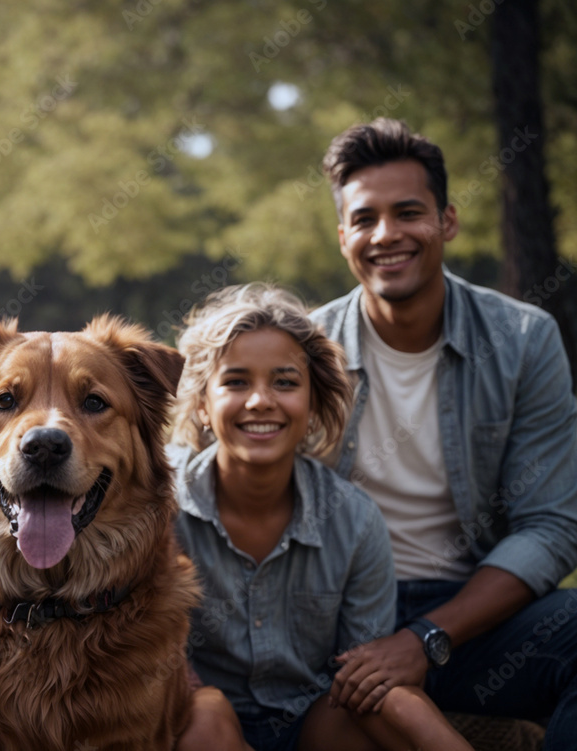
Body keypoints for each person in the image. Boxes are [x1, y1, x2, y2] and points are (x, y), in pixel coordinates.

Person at [312, 117, 577, 749]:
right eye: (365, 218)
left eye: (409, 213)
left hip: (474, 618)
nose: (387, 235)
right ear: (343, 233)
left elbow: (552, 524)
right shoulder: (302, 354)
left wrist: (426, 638)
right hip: (330, 621)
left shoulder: (523, 339)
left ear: (447, 221)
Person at [168, 283, 472, 751]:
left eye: (285, 382)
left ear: (311, 406)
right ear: (204, 405)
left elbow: (363, 672)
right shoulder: (161, 508)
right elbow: (156, 659)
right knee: (207, 714)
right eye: (236, 381)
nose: (260, 401)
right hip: (203, 722)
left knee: (398, 702)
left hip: (314, 720)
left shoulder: (353, 520)